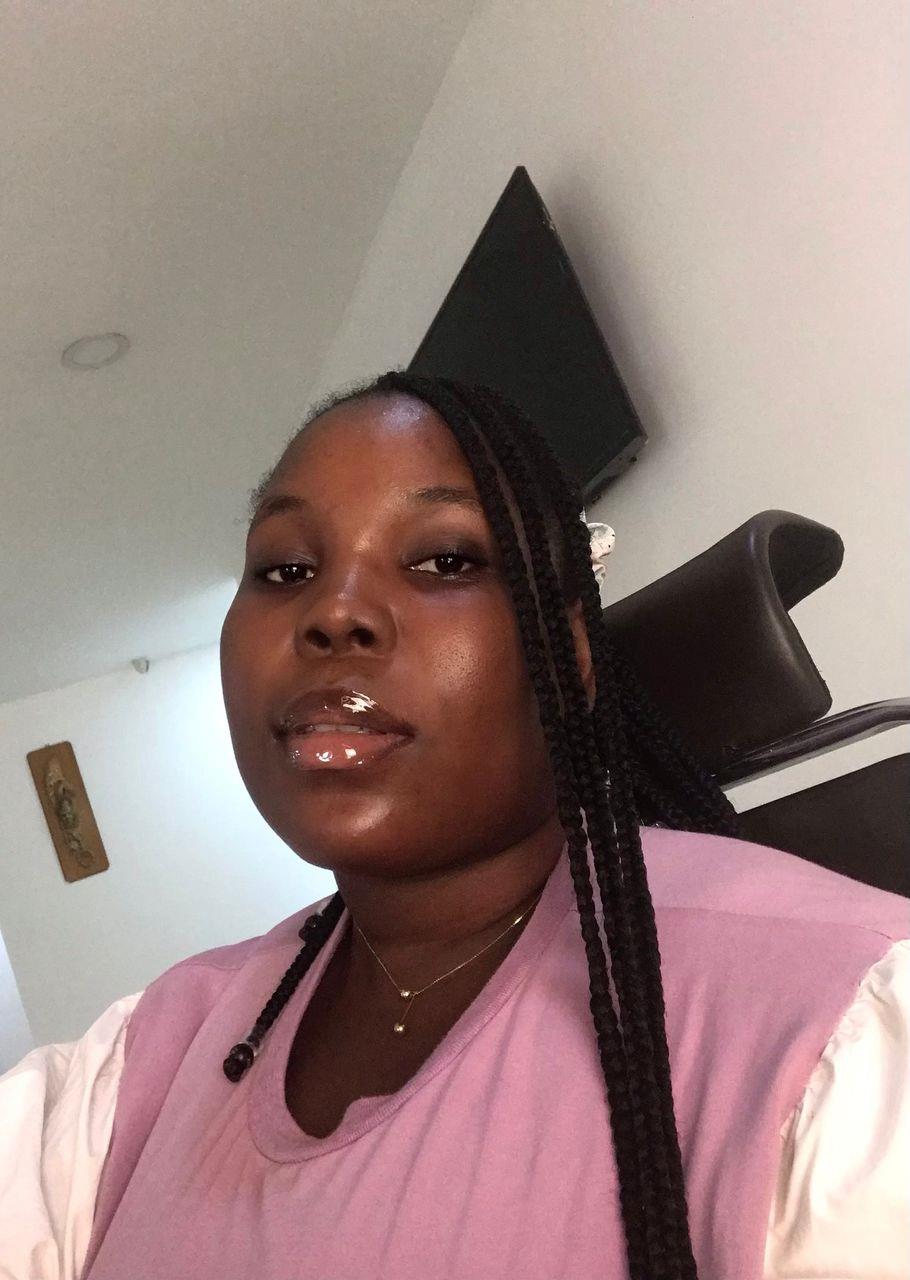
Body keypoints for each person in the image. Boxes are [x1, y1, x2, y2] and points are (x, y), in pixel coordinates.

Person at [1, 373, 907, 1280]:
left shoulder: (830, 1030)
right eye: (286, 570)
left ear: (570, 659)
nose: (334, 612)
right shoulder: (136, 1067)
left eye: (444, 561)